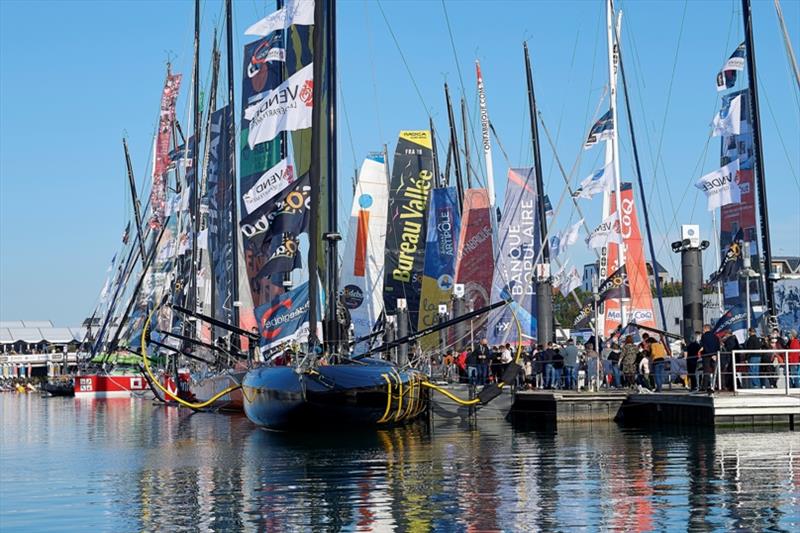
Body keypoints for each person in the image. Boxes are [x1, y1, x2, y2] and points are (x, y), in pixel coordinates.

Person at [699, 324, 720, 392]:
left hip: (706, 356)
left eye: (703, 329)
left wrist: (709, 354)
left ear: (705, 329)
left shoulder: (704, 336)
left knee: (706, 371)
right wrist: (715, 354)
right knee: (715, 371)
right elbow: (718, 346)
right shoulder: (715, 336)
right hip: (715, 355)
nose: (702, 331)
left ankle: (704, 387)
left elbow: (704, 346)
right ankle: (718, 385)